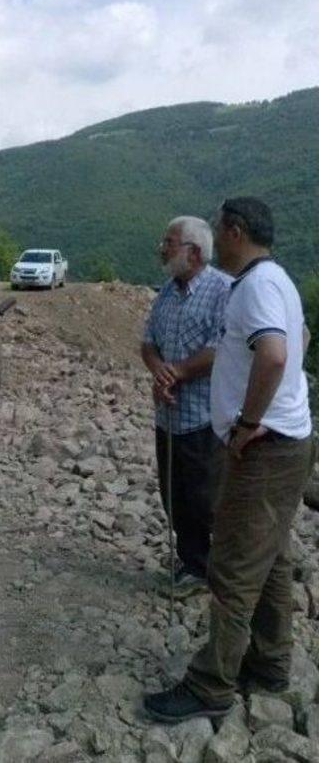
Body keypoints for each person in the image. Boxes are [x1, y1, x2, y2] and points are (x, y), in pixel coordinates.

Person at [145, 197, 314, 723]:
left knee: (234, 567)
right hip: (283, 440)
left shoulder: (255, 287)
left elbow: (276, 354)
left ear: (236, 232)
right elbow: (298, 341)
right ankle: (269, 665)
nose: (218, 237)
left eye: (222, 228)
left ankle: (211, 683)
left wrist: (247, 421)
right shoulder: (275, 280)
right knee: (272, 558)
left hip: (264, 447)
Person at [142, 216, 230, 597]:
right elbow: (148, 342)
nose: (162, 247)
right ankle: (192, 559)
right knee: (173, 494)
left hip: (203, 417)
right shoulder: (166, 291)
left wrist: (176, 372)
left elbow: (220, 348)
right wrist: (160, 370)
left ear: (193, 252)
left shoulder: (222, 291)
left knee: (201, 497)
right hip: (168, 415)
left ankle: (207, 568)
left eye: (169, 242)